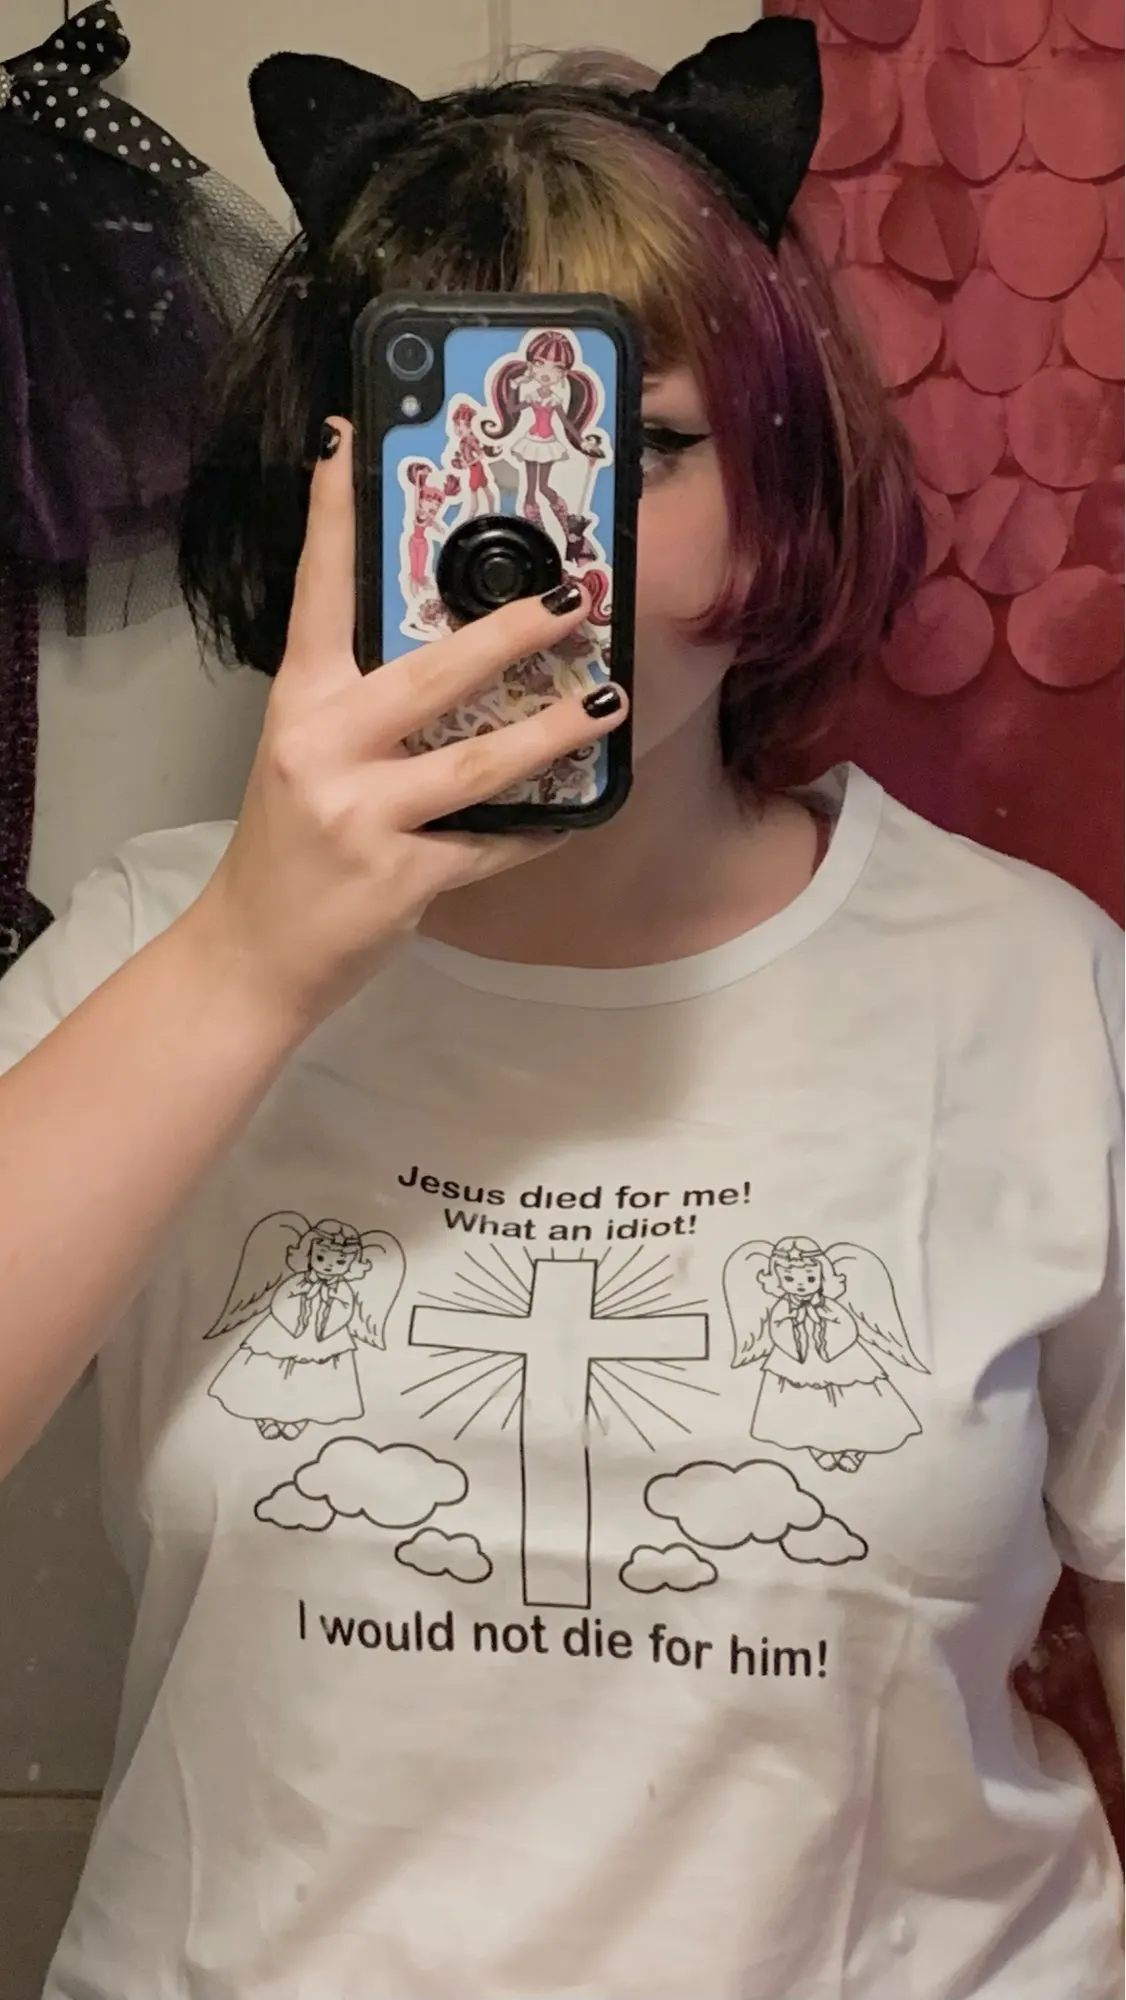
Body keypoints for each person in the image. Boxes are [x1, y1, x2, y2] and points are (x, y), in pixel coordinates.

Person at [0, 20, 1121, 2000]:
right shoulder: (147, 950)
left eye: (638, 443)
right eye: (438, 446)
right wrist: (254, 960)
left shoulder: (1035, 990)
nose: (526, 543)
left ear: (777, 483)